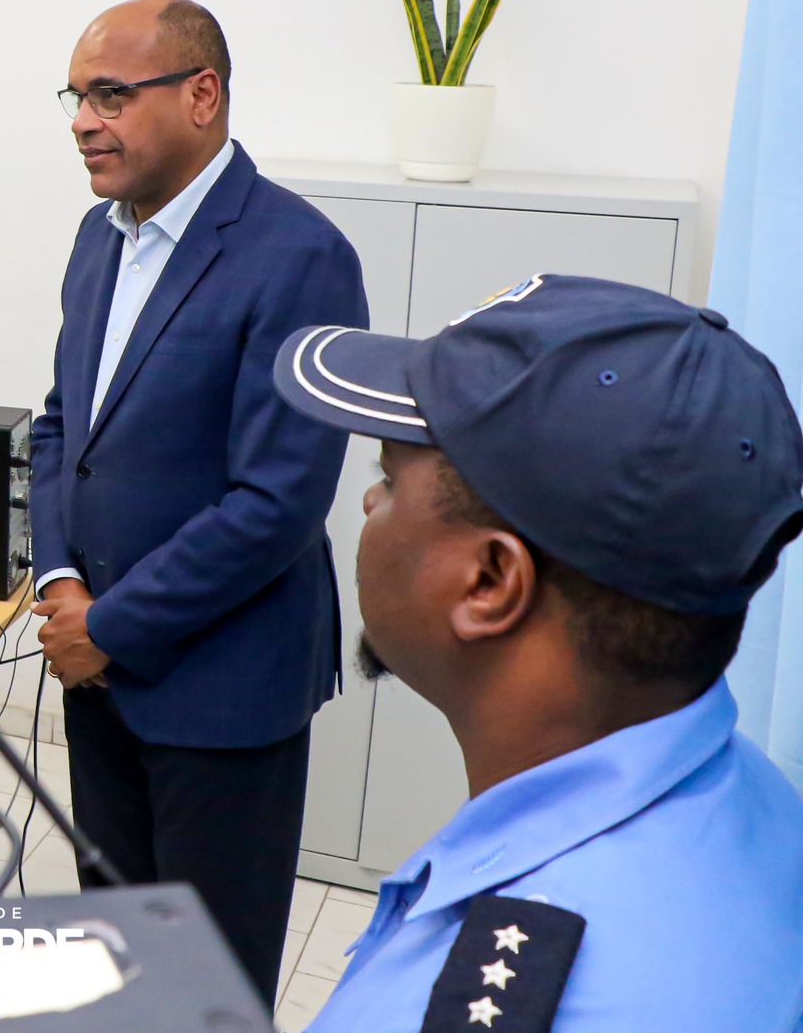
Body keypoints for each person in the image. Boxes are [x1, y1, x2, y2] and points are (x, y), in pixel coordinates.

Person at [273, 274, 803, 1031]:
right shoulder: (761, 803)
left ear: (488, 580)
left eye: (388, 480)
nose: (366, 504)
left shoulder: (460, 1003)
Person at [28, 0, 368, 998]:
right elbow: (61, 430)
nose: (85, 120)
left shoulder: (296, 256)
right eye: (75, 97)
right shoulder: (100, 239)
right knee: (116, 964)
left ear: (201, 95)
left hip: (220, 690)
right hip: (95, 673)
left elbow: (274, 503)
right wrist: (56, 583)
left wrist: (110, 625)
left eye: (110, 95)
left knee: (204, 987)